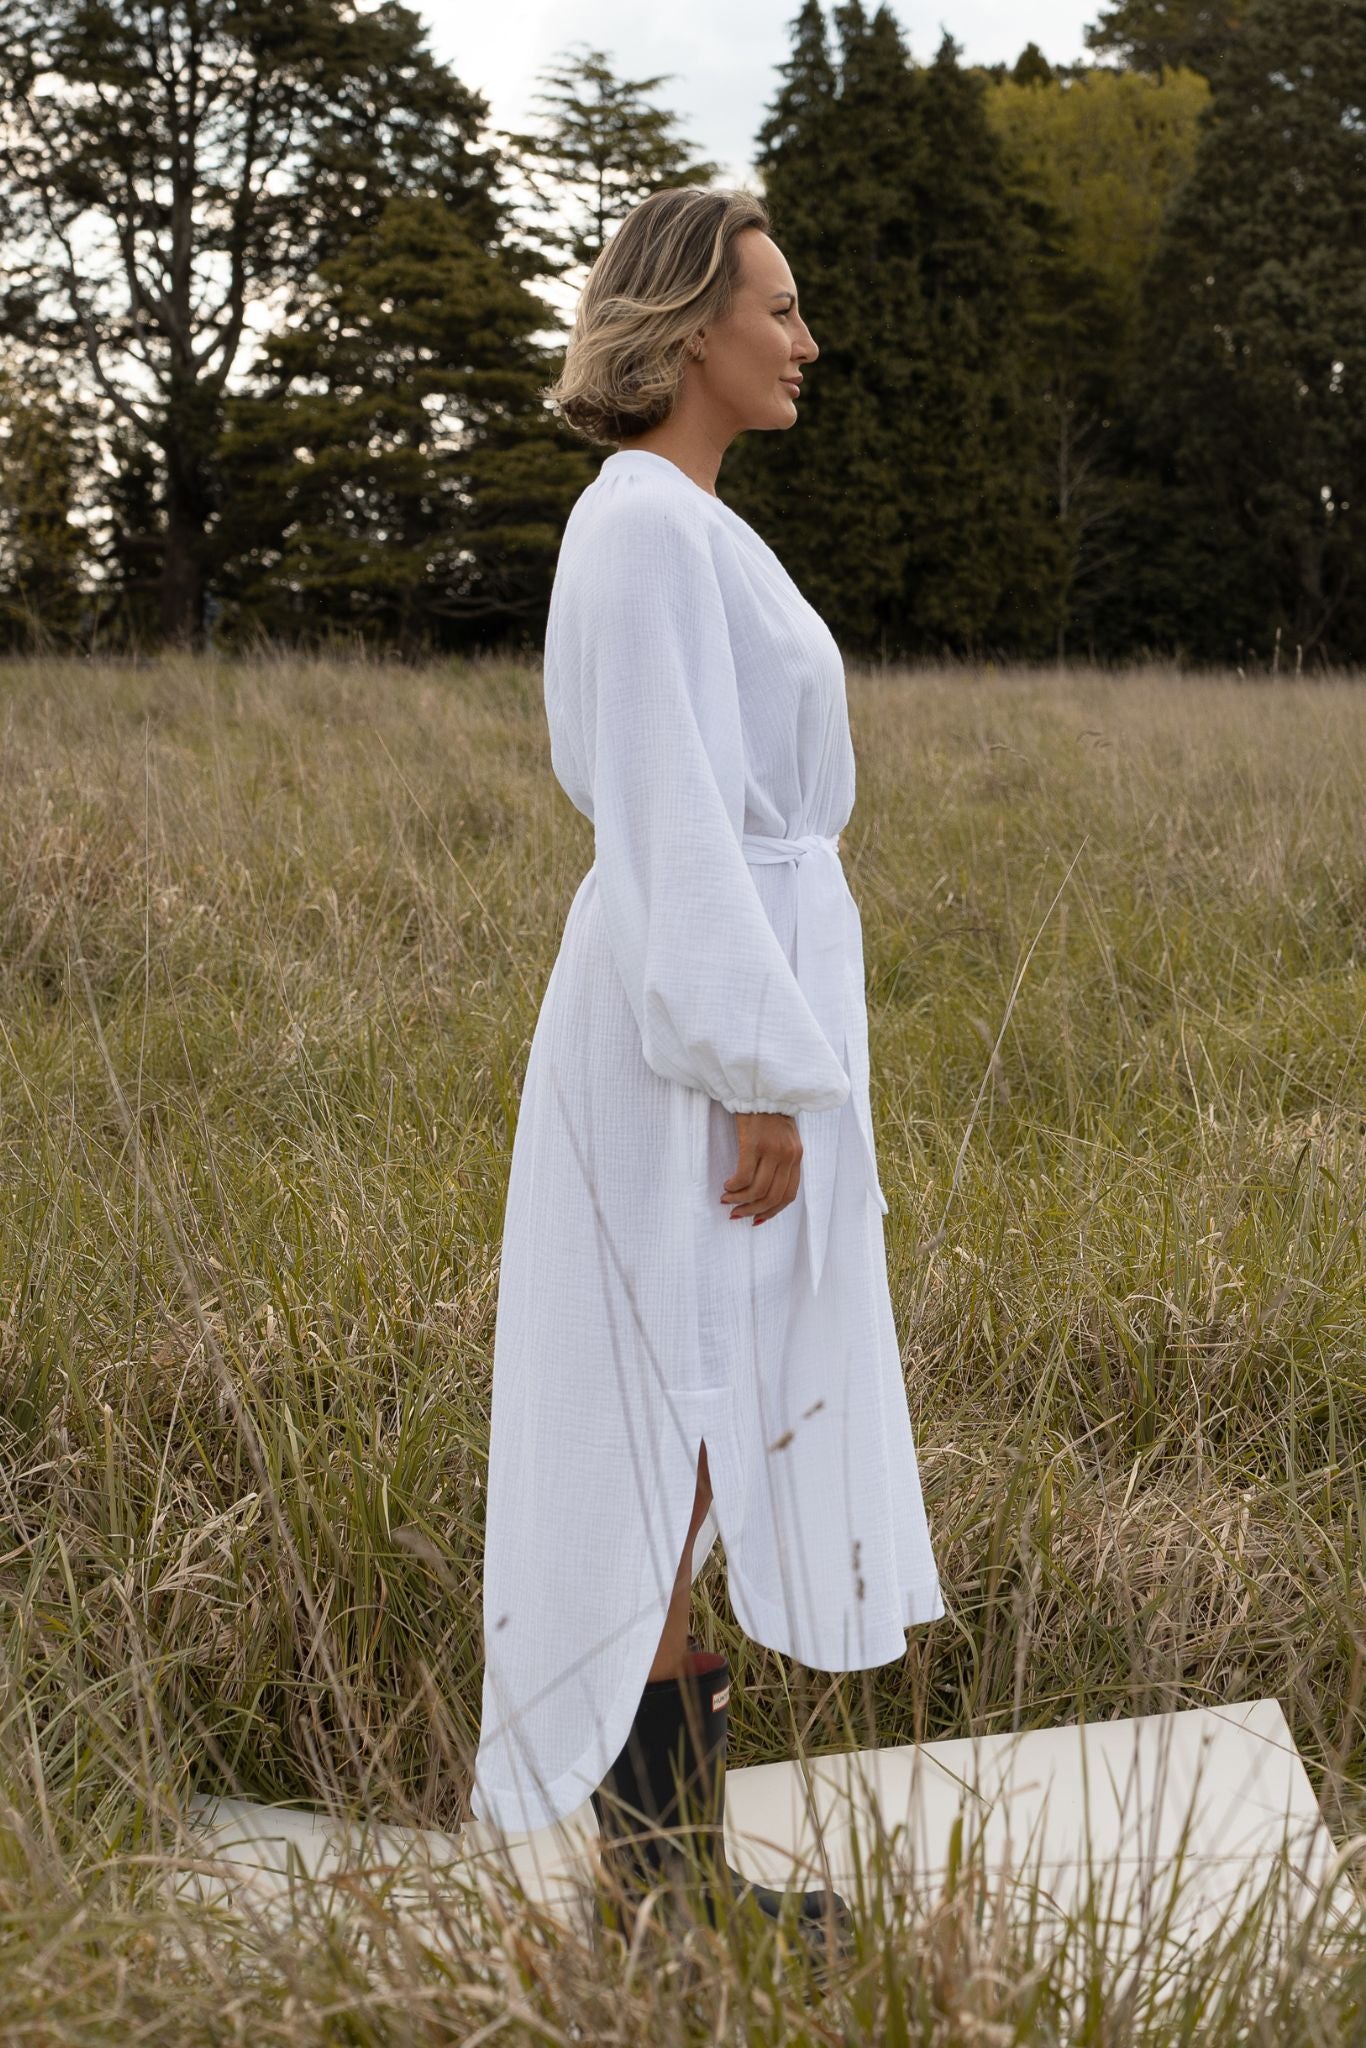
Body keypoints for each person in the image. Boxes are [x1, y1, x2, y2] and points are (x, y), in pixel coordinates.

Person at [470, 185, 945, 1949]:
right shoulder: (645, 529)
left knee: (697, 1433)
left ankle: (665, 1875)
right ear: (687, 331)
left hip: (724, 1004)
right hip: (689, 1035)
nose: (806, 340)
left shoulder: (686, 522)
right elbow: (668, 817)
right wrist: (757, 1069)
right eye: (780, 308)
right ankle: (660, 1889)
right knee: (665, 1430)